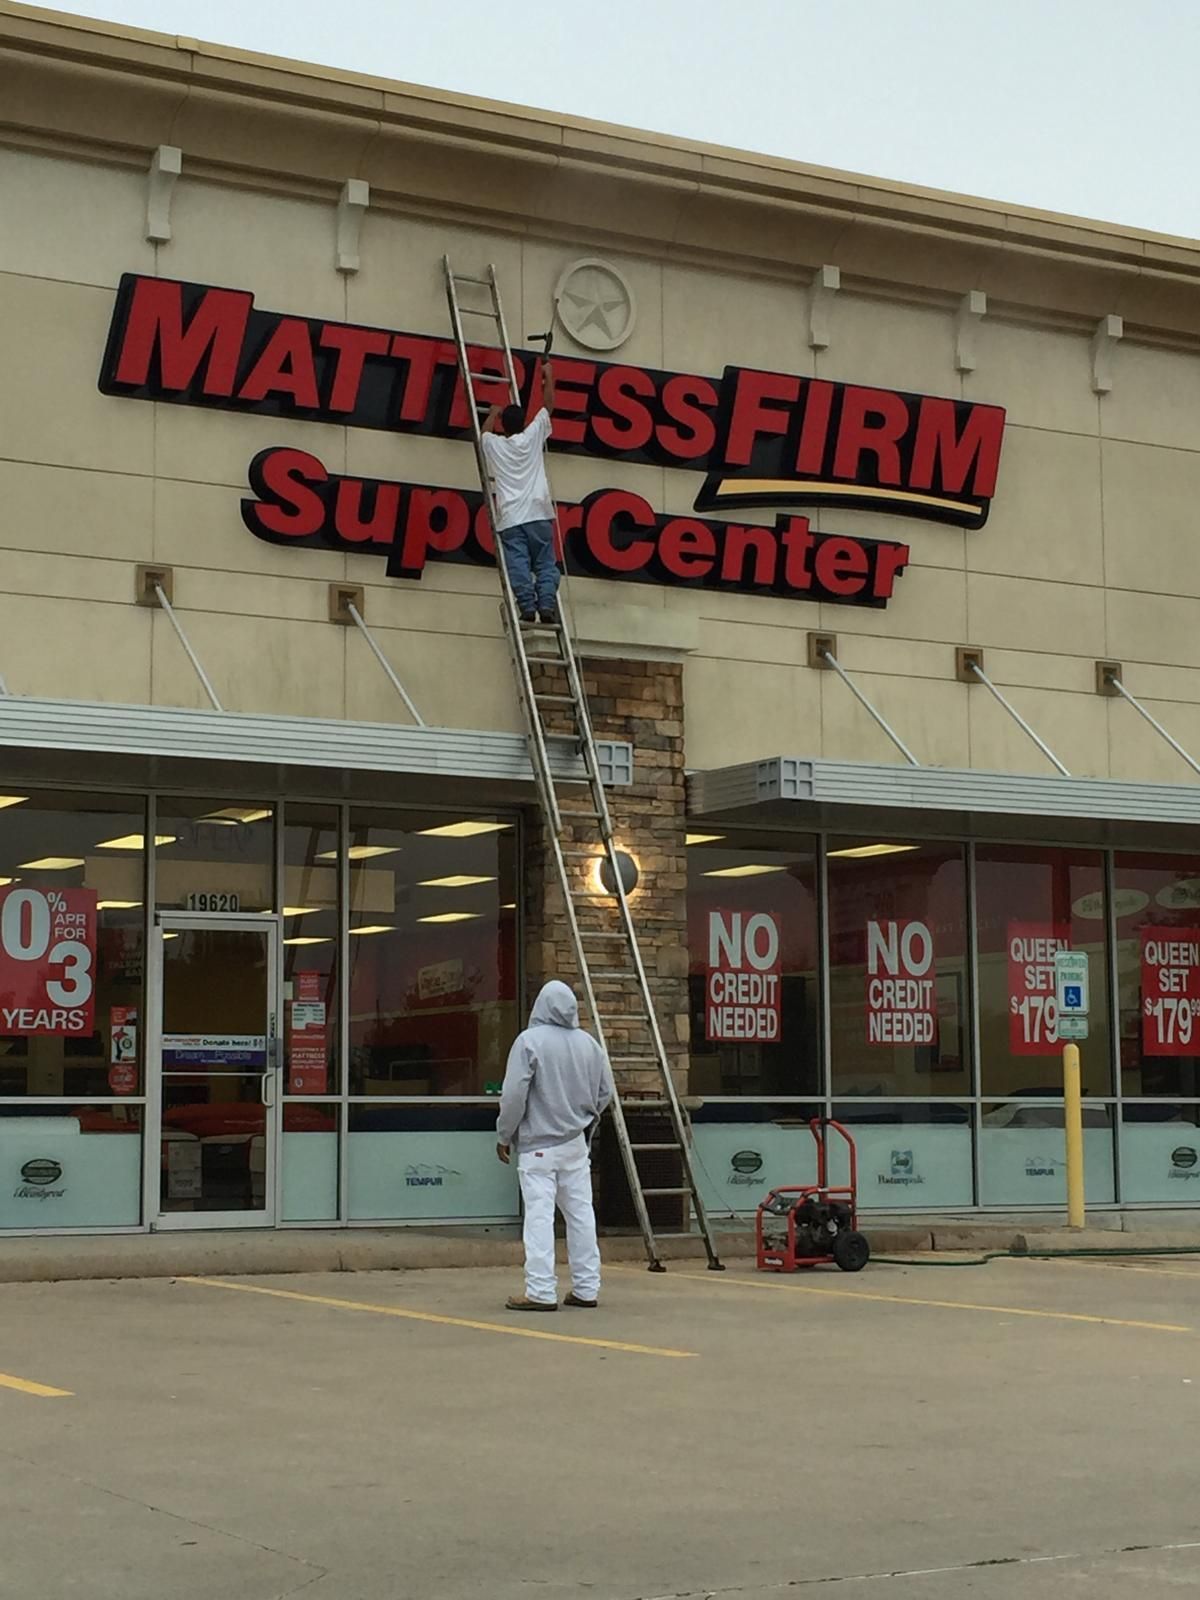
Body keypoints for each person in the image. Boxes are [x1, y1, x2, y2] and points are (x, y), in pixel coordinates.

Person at [495, 979, 614, 1311]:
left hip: (537, 1147)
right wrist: (584, 1117)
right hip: (576, 1144)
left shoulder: (529, 1042)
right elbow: (605, 1092)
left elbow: (514, 1096)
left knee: (539, 1218)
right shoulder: (590, 1045)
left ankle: (541, 1291)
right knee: (580, 1216)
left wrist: (505, 1134)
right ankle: (587, 1289)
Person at [481, 357, 560, 625]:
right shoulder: (532, 436)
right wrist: (548, 376)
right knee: (545, 564)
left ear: (504, 425)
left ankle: (527, 606)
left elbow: (483, 435)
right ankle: (547, 604)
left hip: (512, 518)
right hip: (538, 513)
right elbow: (548, 405)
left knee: (518, 564)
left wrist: (493, 413)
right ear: (524, 422)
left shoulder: (496, 445)